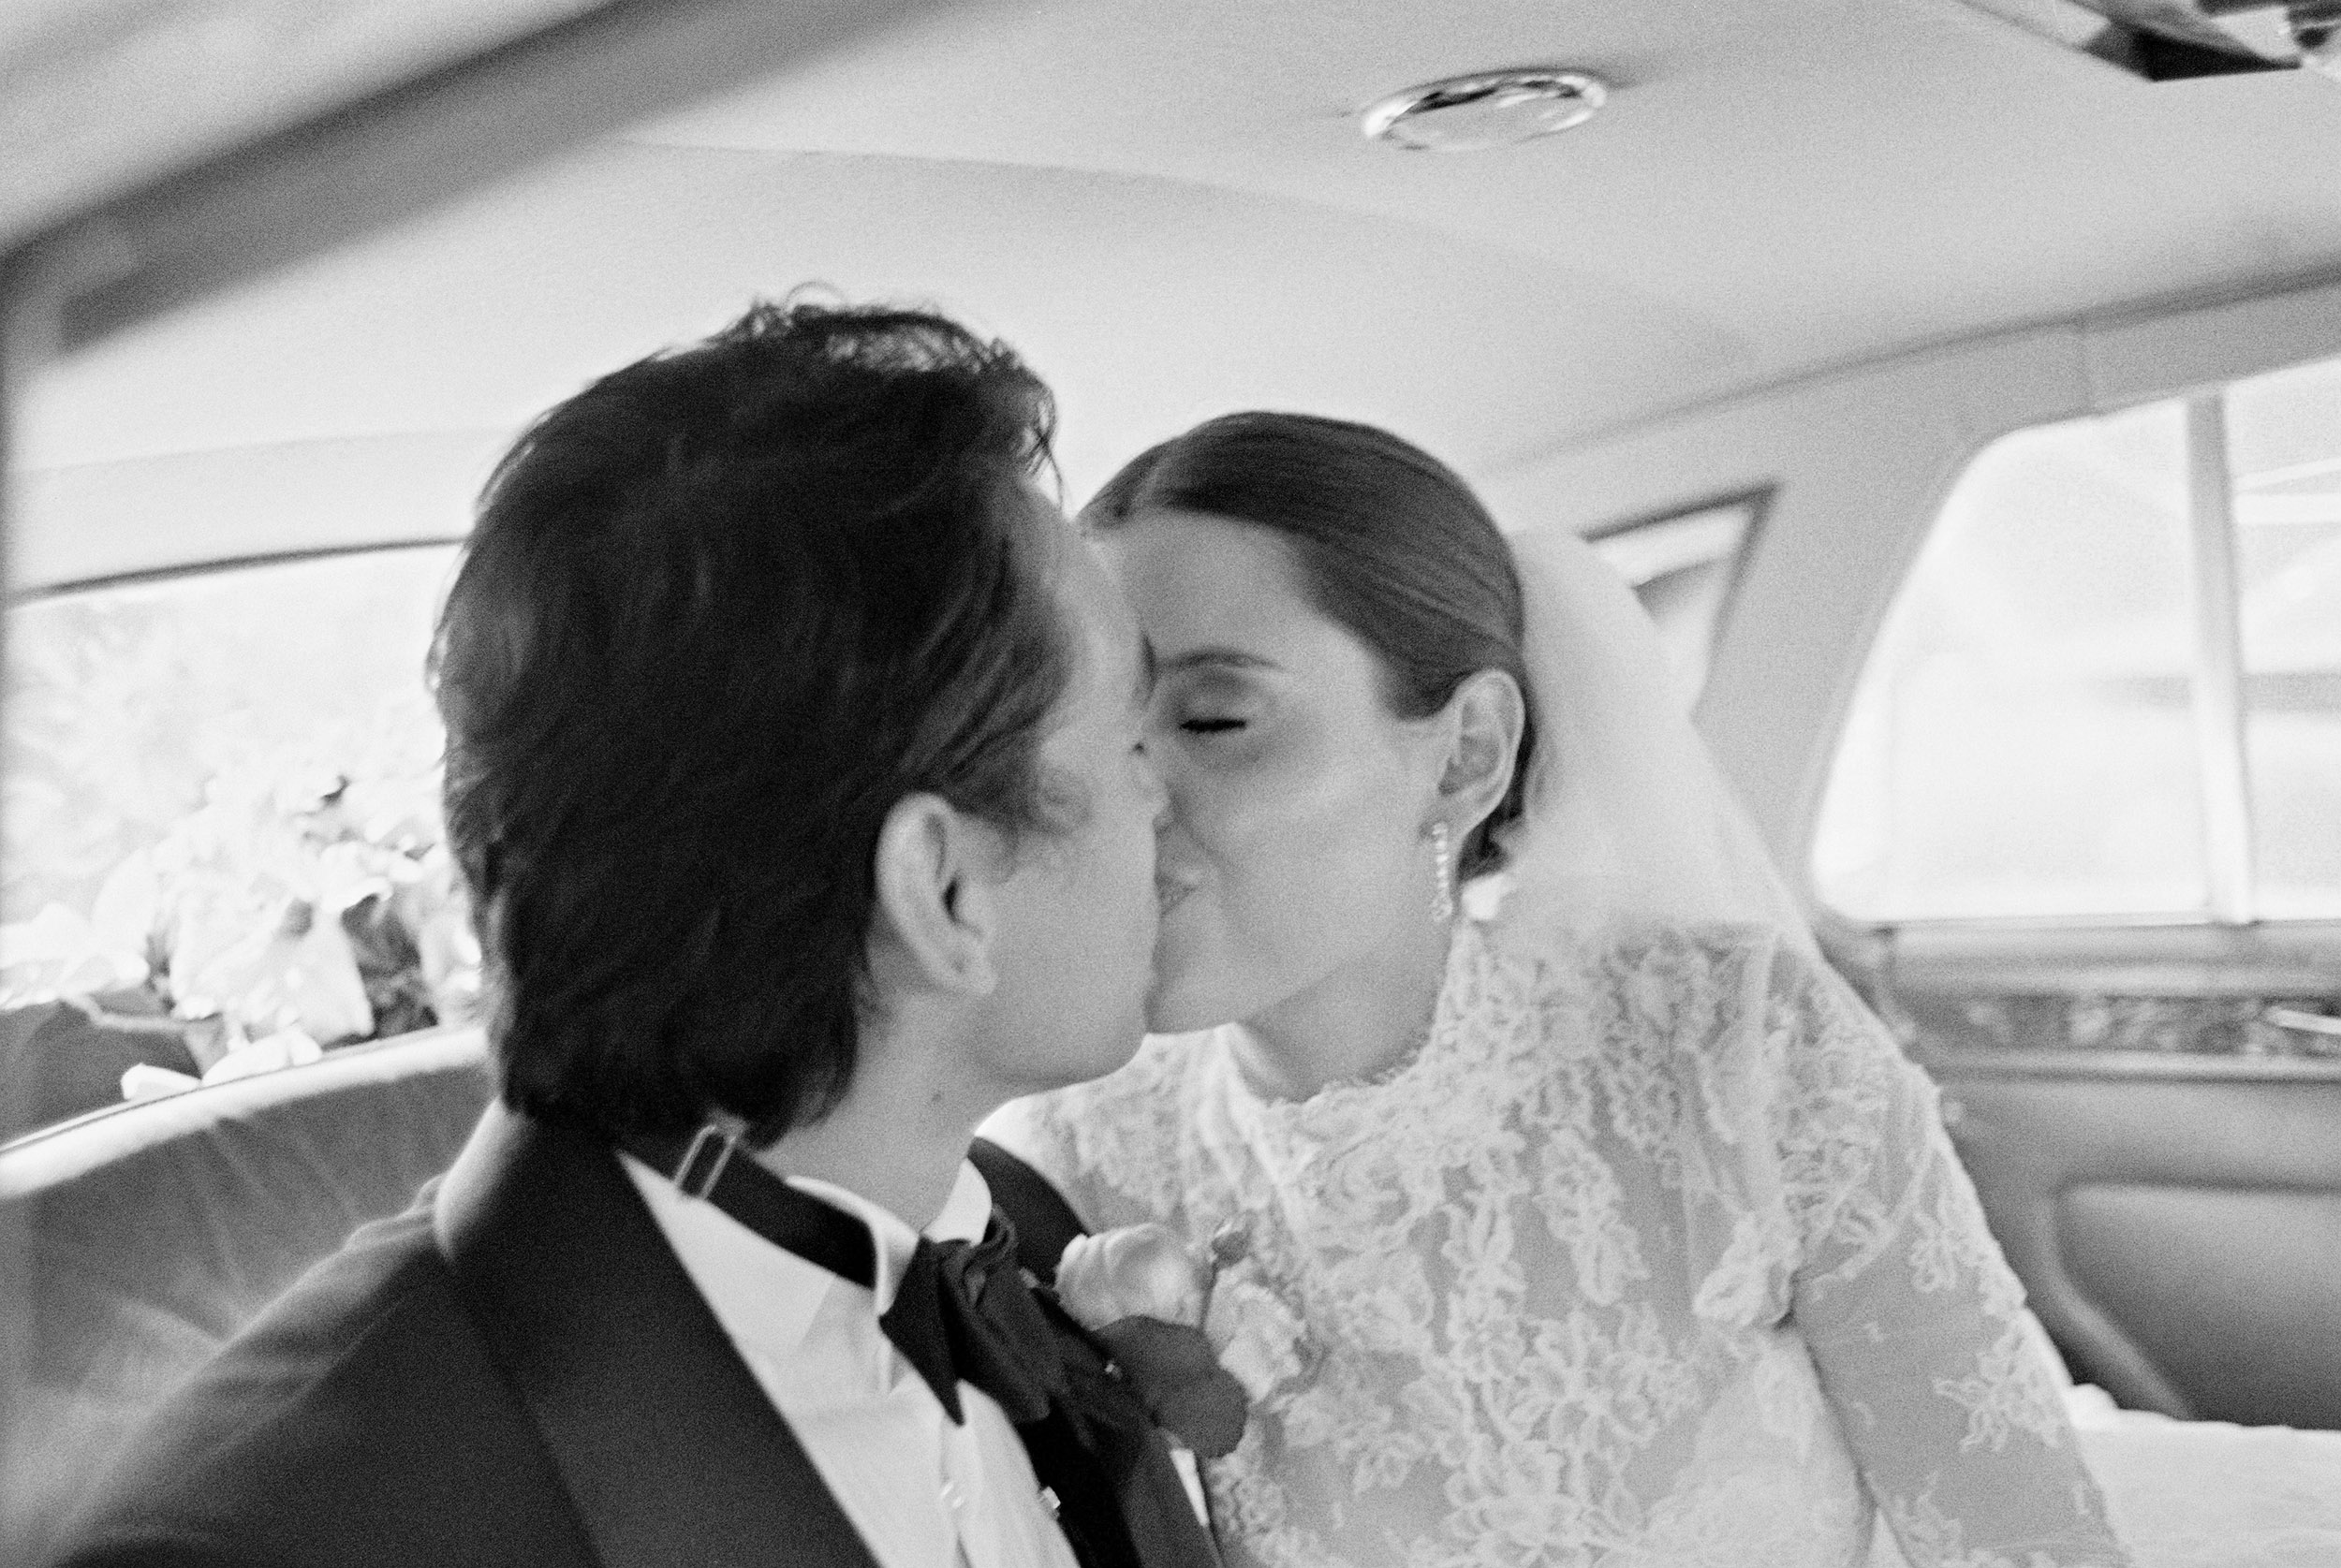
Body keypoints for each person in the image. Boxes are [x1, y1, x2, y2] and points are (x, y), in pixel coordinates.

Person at [53, 301, 1215, 1568]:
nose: (1165, 794)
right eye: (1125, 739)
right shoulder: (278, 1532)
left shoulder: (1022, 1250)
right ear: (942, 891)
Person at [983, 413, 2133, 1568]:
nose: (1129, 802)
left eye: (1215, 719)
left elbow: (2023, 1542)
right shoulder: (1067, 1159)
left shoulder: (1735, 1046)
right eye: (1096, 738)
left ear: (1466, 753)